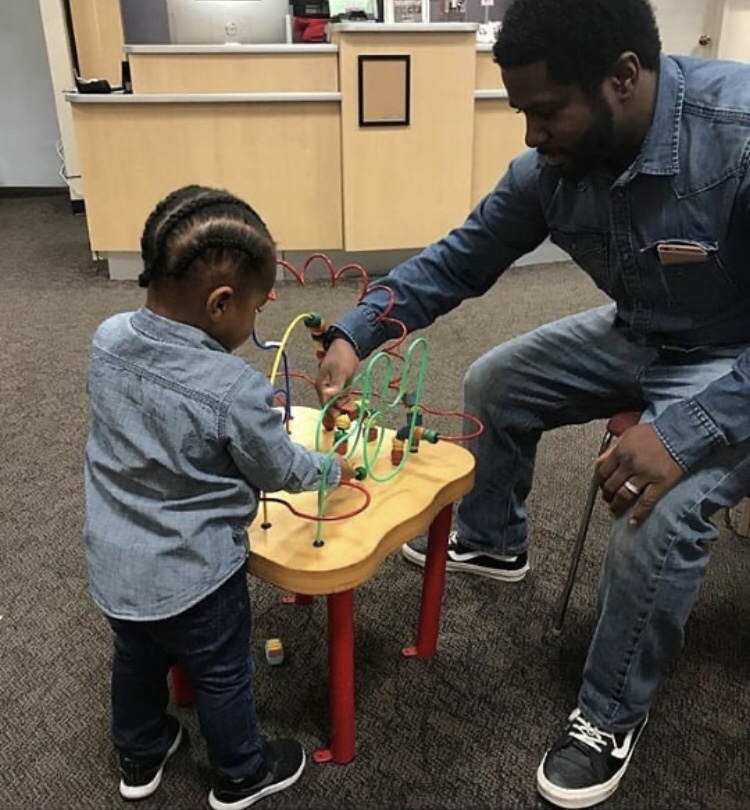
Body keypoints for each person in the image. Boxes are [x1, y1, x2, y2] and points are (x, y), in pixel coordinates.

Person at [315, 0, 750, 806]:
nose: (530, 134)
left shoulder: (739, 135)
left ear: (623, 77)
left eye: (546, 111)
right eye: (521, 111)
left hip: (734, 360)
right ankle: (494, 540)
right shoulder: (550, 170)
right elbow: (457, 261)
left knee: (655, 509)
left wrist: (683, 432)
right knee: (497, 382)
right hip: (642, 331)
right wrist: (355, 331)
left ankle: (609, 714)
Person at [83, 184, 354, 810]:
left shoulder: (107, 337)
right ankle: (241, 774)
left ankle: (140, 753)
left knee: (135, 659)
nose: (257, 321)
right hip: (197, 576)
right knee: (224, 673)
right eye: (255, 309)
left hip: (114, 563)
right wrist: (330, 470)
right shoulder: (233, 387)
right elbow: (278, 468)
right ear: (220, 303)